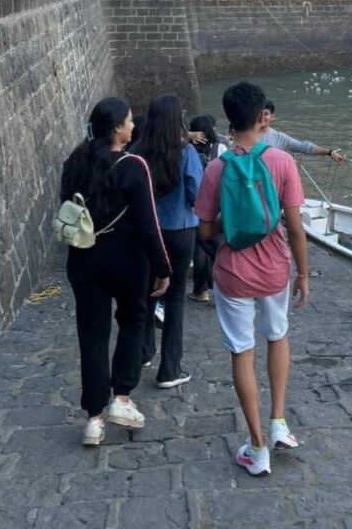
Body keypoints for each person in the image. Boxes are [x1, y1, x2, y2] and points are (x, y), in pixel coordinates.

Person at [195, 81, 309, 477]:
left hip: (233, 274)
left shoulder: (216, 167)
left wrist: (234, 220)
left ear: (229, 118)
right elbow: (295, 228)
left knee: (242, 350)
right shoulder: (281, 162)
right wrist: (304, 274)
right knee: (277, 335)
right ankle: (279, 421)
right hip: (276, 268)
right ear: (263, 117)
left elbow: (205, 232)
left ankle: (257, 446)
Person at [61, 97, 171, 447]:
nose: (132, 127)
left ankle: (93, 419)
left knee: (91, 336)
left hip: (83, 258)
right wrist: (163, 267)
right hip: (127, 259)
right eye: (128, 121)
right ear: (116, 129)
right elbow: (148, 223)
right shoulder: (133, 165)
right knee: (134, 320)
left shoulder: (74, 161)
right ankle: (120, 398)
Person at [131, 95, 203, 388]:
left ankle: (145, 351)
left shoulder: (137, 152)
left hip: (147, 232)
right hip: (180, 230)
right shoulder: (186, 153)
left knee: (148, 291)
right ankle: (170, 368)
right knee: (174, 300)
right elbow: (196, 194)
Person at [188, 115, 228, 302]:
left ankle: (200, 290)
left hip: (195, 204)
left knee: (200, 247)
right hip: (218, 204)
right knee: (218, 245)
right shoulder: (220, 148)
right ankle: (222, 286)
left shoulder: (187, 150)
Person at [260, 100, 345, 163]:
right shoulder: (247, 136)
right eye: (259, 113)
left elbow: (305, 147)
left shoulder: (279, 138)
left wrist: (330, 152)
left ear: (272, 117)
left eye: (266, 114)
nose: (262, 117)